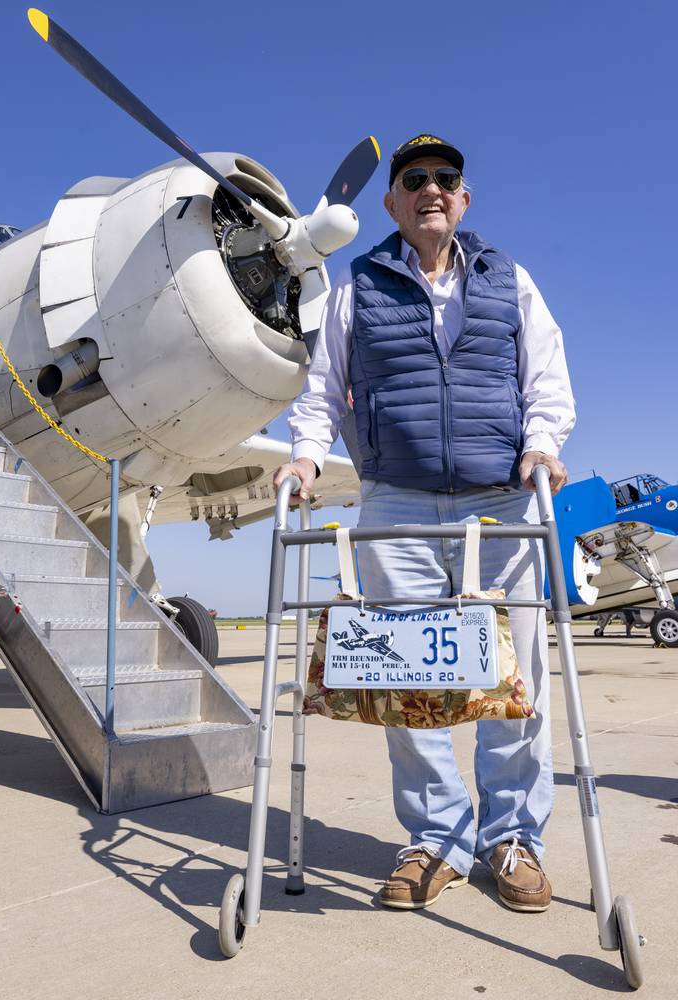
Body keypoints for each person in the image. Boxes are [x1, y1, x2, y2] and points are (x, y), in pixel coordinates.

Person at [273, 134, 575, 914]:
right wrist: (305, 458)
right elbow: (322, 388)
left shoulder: (509, 279)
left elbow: (545, 376)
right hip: (397, 507)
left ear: (464, 198)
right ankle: (435, 838)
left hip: (501, 503)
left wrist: (543, 444)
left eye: (446, 177)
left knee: (516, 683)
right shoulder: (358, 285)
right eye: (415, 180)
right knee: (408, 678)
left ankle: (513, 841)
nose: (432, 189)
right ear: (393, 202)